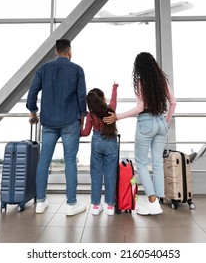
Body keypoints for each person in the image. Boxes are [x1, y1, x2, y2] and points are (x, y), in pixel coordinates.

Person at [103, 52, 176, 215]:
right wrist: (166, 122)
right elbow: (173, 102)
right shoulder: (162, 80)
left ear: (139, 67)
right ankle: (156, 201)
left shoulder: (140, 82)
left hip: (146, 123)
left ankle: (152, 201)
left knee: (141, 162)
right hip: (160, 122)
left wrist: (118, 117)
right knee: (157, 162)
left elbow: (140, 108)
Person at [26, 38, 87, 216]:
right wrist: (82, 117)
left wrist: (33, 112)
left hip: (49, 122)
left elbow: (32, 93)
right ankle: (71, 204)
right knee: (70, 161)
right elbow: (81, 96)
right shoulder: (77, 69)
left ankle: (40, 202)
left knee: (44, 161)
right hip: (70, 121)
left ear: (56, 51)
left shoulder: (43, 69)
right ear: (69, 51)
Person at [80, 83, 119, 216]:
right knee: (110, 174)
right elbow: (114, 100)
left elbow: (85, 133)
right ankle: (110, 207)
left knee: (96, 175)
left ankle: (96, 206)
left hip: (97, 142)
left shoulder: (91, 115)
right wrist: (114, 87)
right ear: (102, 98)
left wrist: (78, 127)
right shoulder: (110, 109)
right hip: (111, 142)